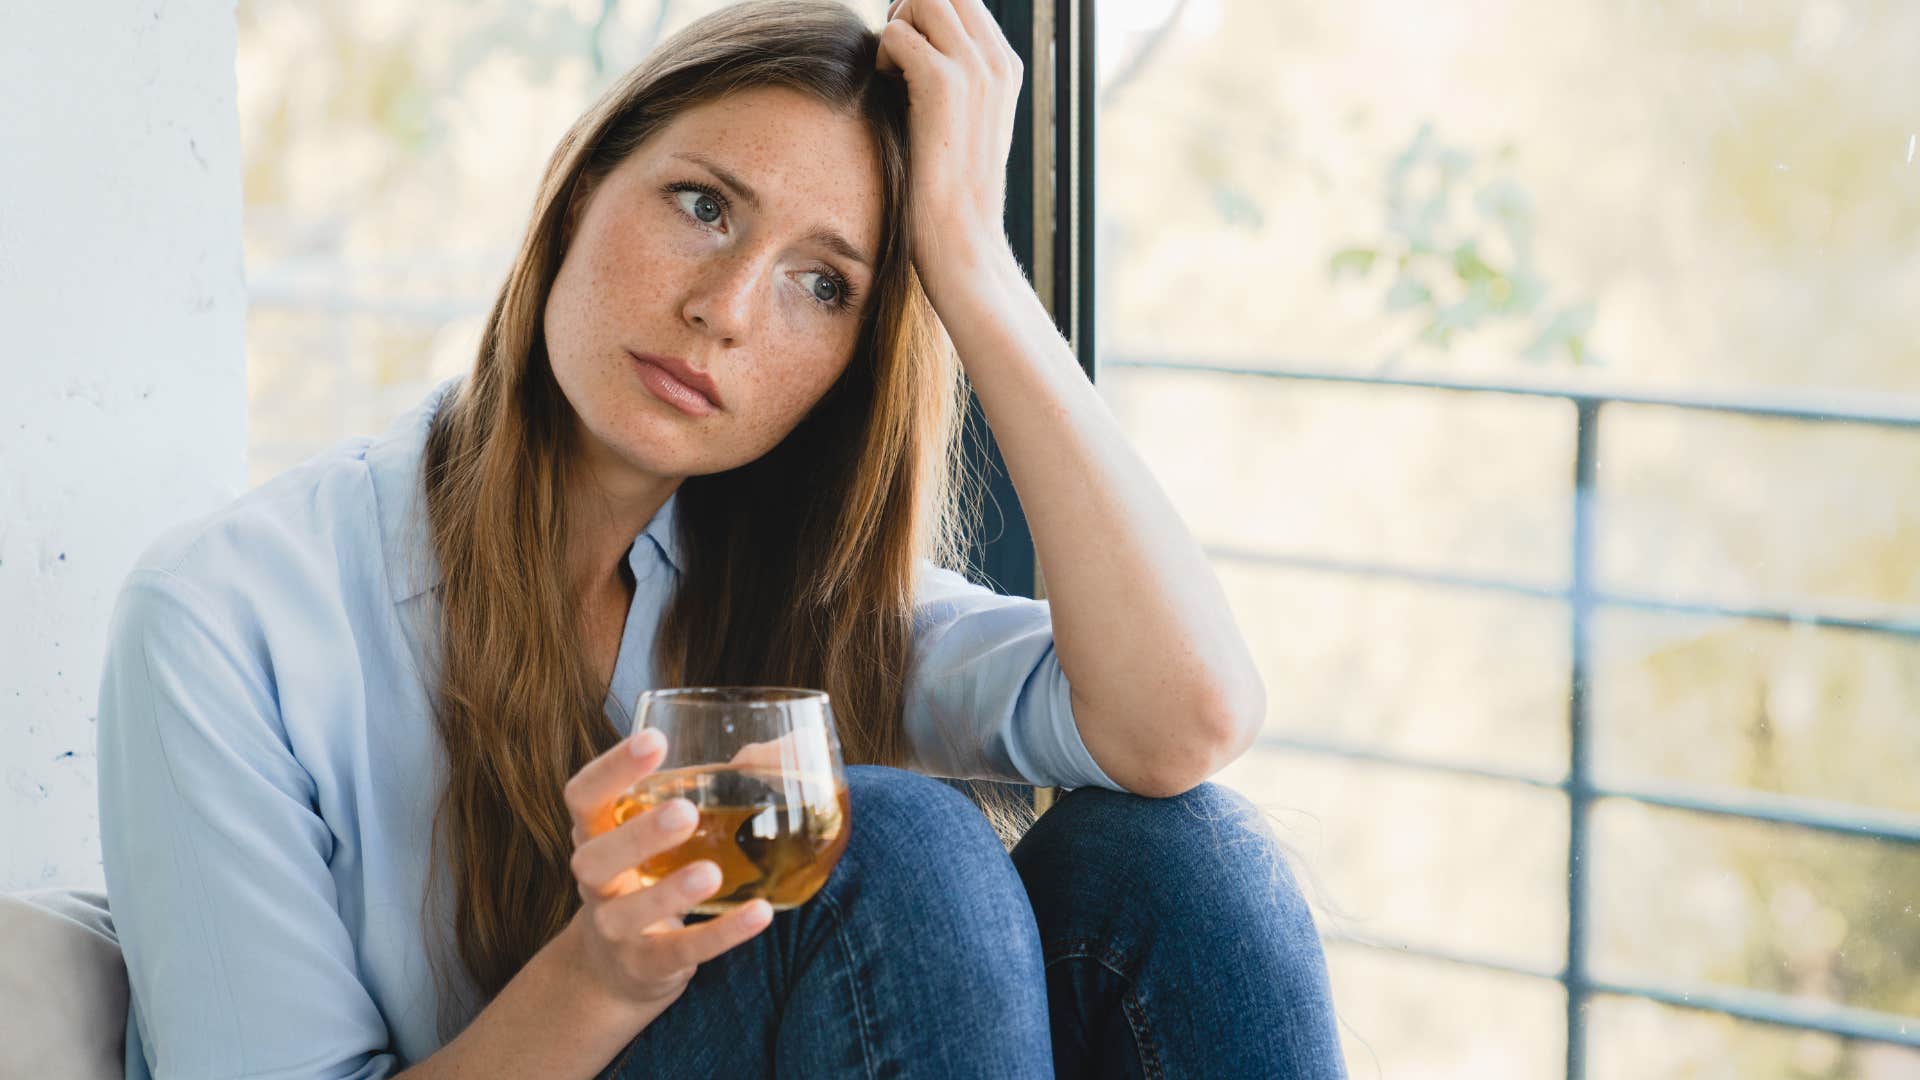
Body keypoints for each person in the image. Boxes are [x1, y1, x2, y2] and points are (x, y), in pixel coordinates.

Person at [93, 0, 1345, 1076]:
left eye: (825, 285)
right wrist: (602, 974)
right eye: (702, 206)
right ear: (581, 191)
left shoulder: (811, 591)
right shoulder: (226, 616)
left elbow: (1184, 723)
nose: (726, 310)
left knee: (1173, 856)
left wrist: (973, 261)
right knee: (890, 845)